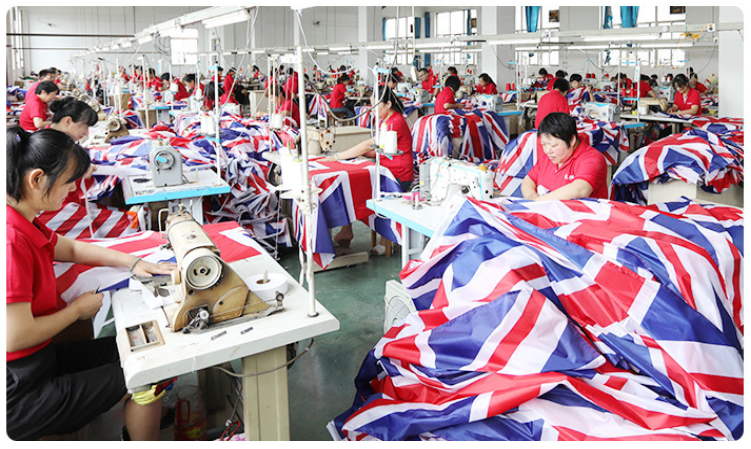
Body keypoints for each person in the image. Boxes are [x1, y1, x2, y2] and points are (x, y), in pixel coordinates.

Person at [6, 127, 177, 441]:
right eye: (68, 181)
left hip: (40, 361)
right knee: (147, 373)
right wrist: (76, 311)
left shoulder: (22, 219)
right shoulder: (11, 240)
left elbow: (71, 249)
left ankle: (157, 416)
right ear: (37, 179)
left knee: (143, 350)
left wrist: (134, 262)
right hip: (20, 392)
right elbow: (15, 337)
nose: (73, 189)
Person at [322, 87, 414, 254]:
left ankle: (387, 239)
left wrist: (338, 156)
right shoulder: (385, 121)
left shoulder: (395, 122)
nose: (373, 110)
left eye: (376, 106)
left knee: (359, 190)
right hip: (386, 169)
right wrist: (355, 153)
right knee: (351, 188)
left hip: (398, 175)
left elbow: (368, 146)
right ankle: (346, 229)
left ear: (388, 104)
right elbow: (375, 150)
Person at [521, 112, 608, 201]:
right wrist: (531, 197)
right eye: (544, 144)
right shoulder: (549, 156)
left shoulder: (592, 159)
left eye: (553, 145)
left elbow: (580, 190)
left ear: (572, 140)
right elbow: (529, 179)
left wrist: (538, 201)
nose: (547, 150)